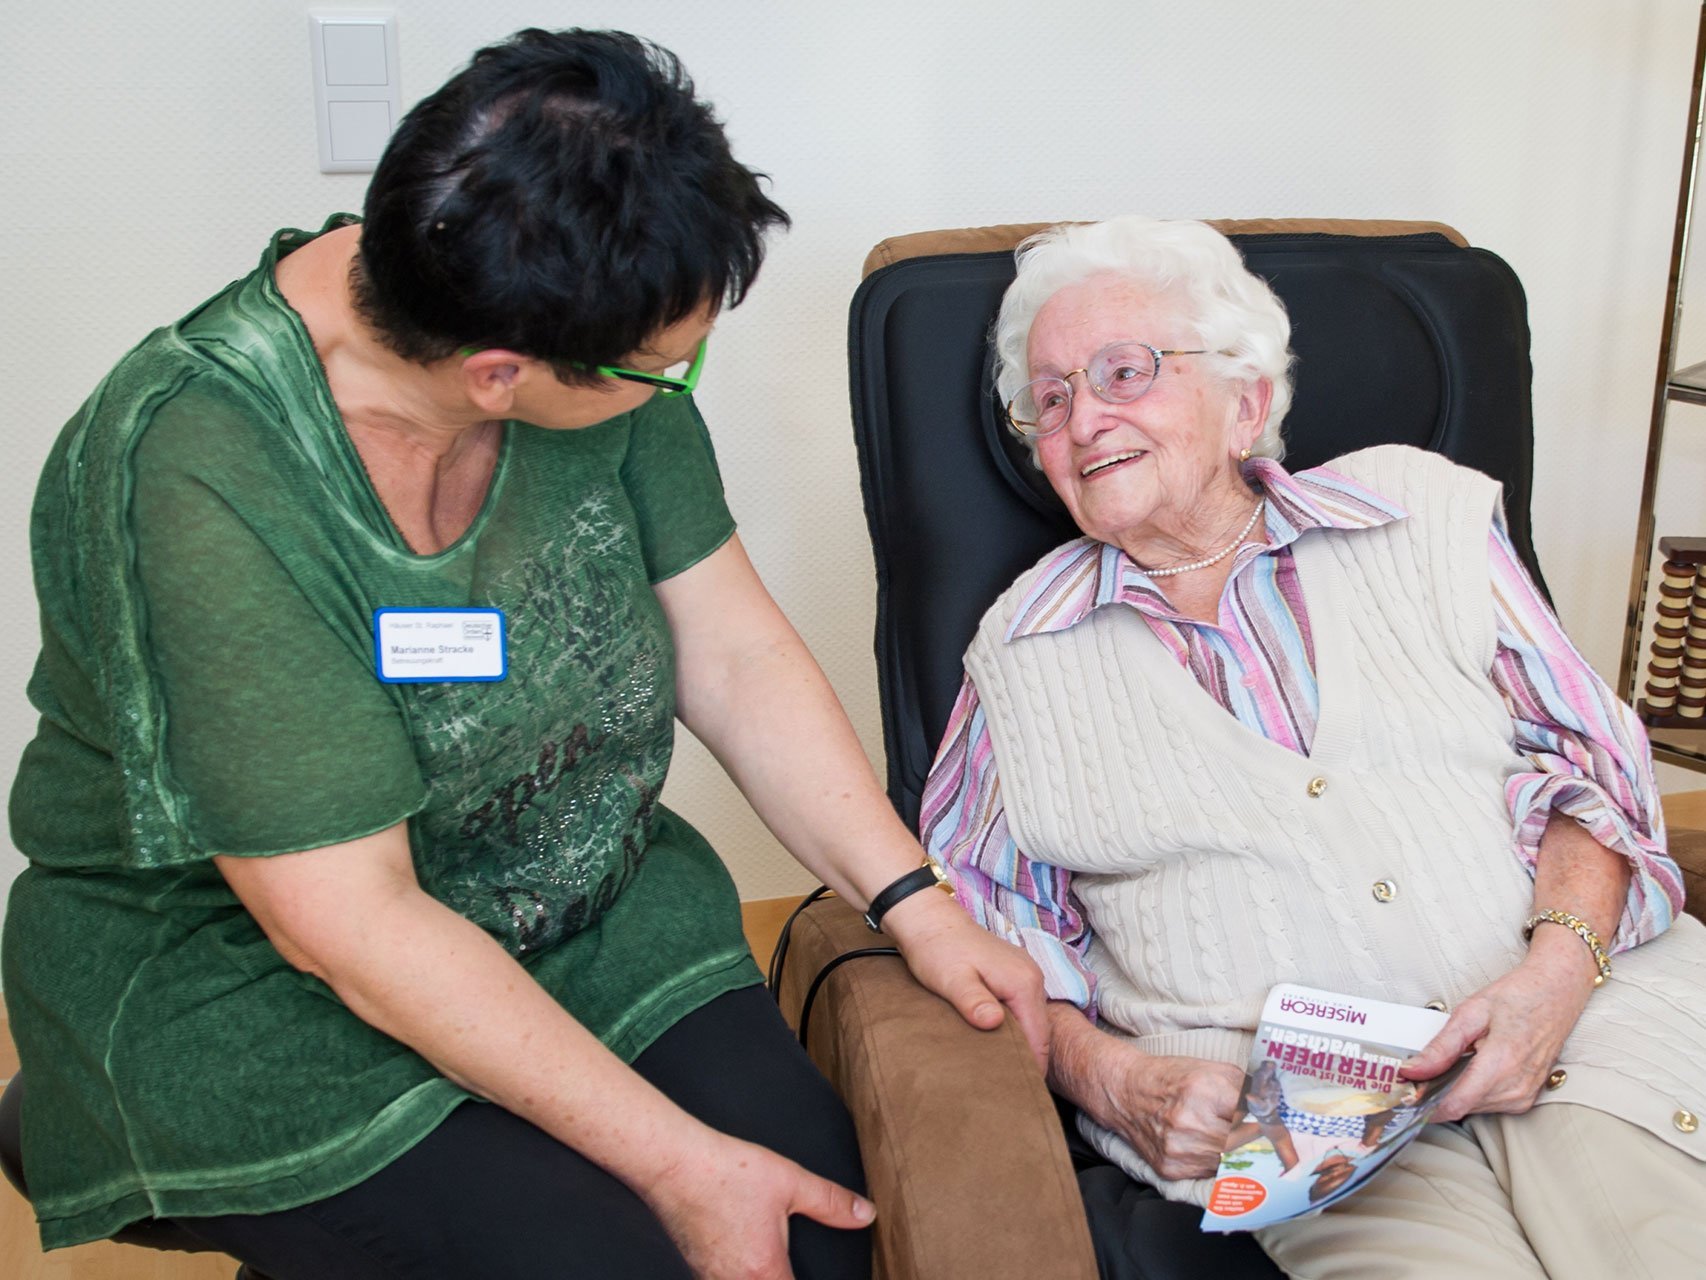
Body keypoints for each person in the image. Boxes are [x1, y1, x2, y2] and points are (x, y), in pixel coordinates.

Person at [1, 28, 1046, 1280]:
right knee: (631, 1253)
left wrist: (910, 900)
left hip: (567, 893)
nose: (678, 384)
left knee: (820, 1237)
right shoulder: (196, 470)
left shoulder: (573, 304)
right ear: (500, 374)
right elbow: (350, 923)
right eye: (661, 368)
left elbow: (729, 649)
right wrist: (680, 1164)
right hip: (255, 974)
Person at [921, 214, 1706, 1279]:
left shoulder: (1415, 512)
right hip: (1310, 1133)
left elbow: (1590, 770)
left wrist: (1553, 974)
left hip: (1584, 1022)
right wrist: (1108, 1078)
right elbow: (985, 934)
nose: (1083, 416)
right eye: (1049, 398)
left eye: (1123, 370)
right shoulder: (1016, 652)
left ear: (1244, 398)